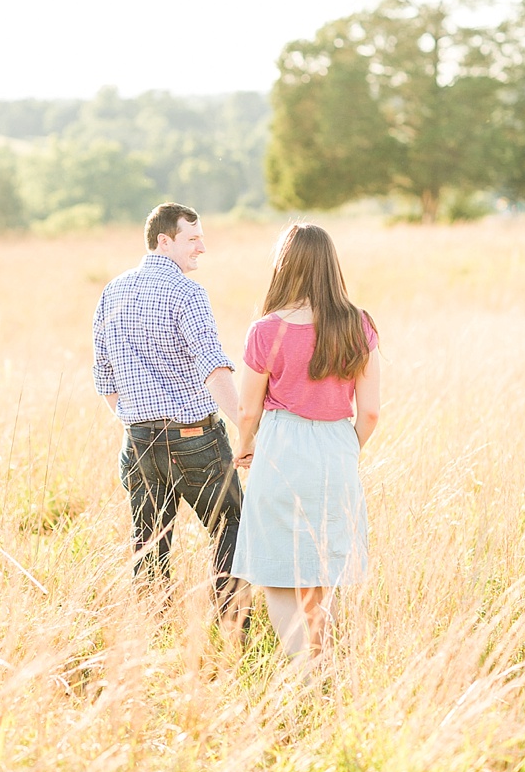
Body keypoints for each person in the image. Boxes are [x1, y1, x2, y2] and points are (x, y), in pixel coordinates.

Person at [231, 223, 380, 668]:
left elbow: (246, 410)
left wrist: (245, 447)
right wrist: (345, 448)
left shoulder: (265, 331)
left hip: (279, 447)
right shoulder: (359, 324)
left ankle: (307, 676)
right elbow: (370, 412)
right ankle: (321, 667)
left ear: (285, 266)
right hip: (337, 446)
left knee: (278, 573)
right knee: (321, 570)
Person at [91, 202, 246, 614]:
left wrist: (137, 422)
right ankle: (230, 630)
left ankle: (152, 635)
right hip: (195, 437)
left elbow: (105, 378)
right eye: (192, 239)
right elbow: (213, 366)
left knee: (149, 541)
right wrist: (250, 430)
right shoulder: (187, 291)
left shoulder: (113, 290)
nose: (202, 248)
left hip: (138, 439)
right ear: (164, 240)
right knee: (234, 524)